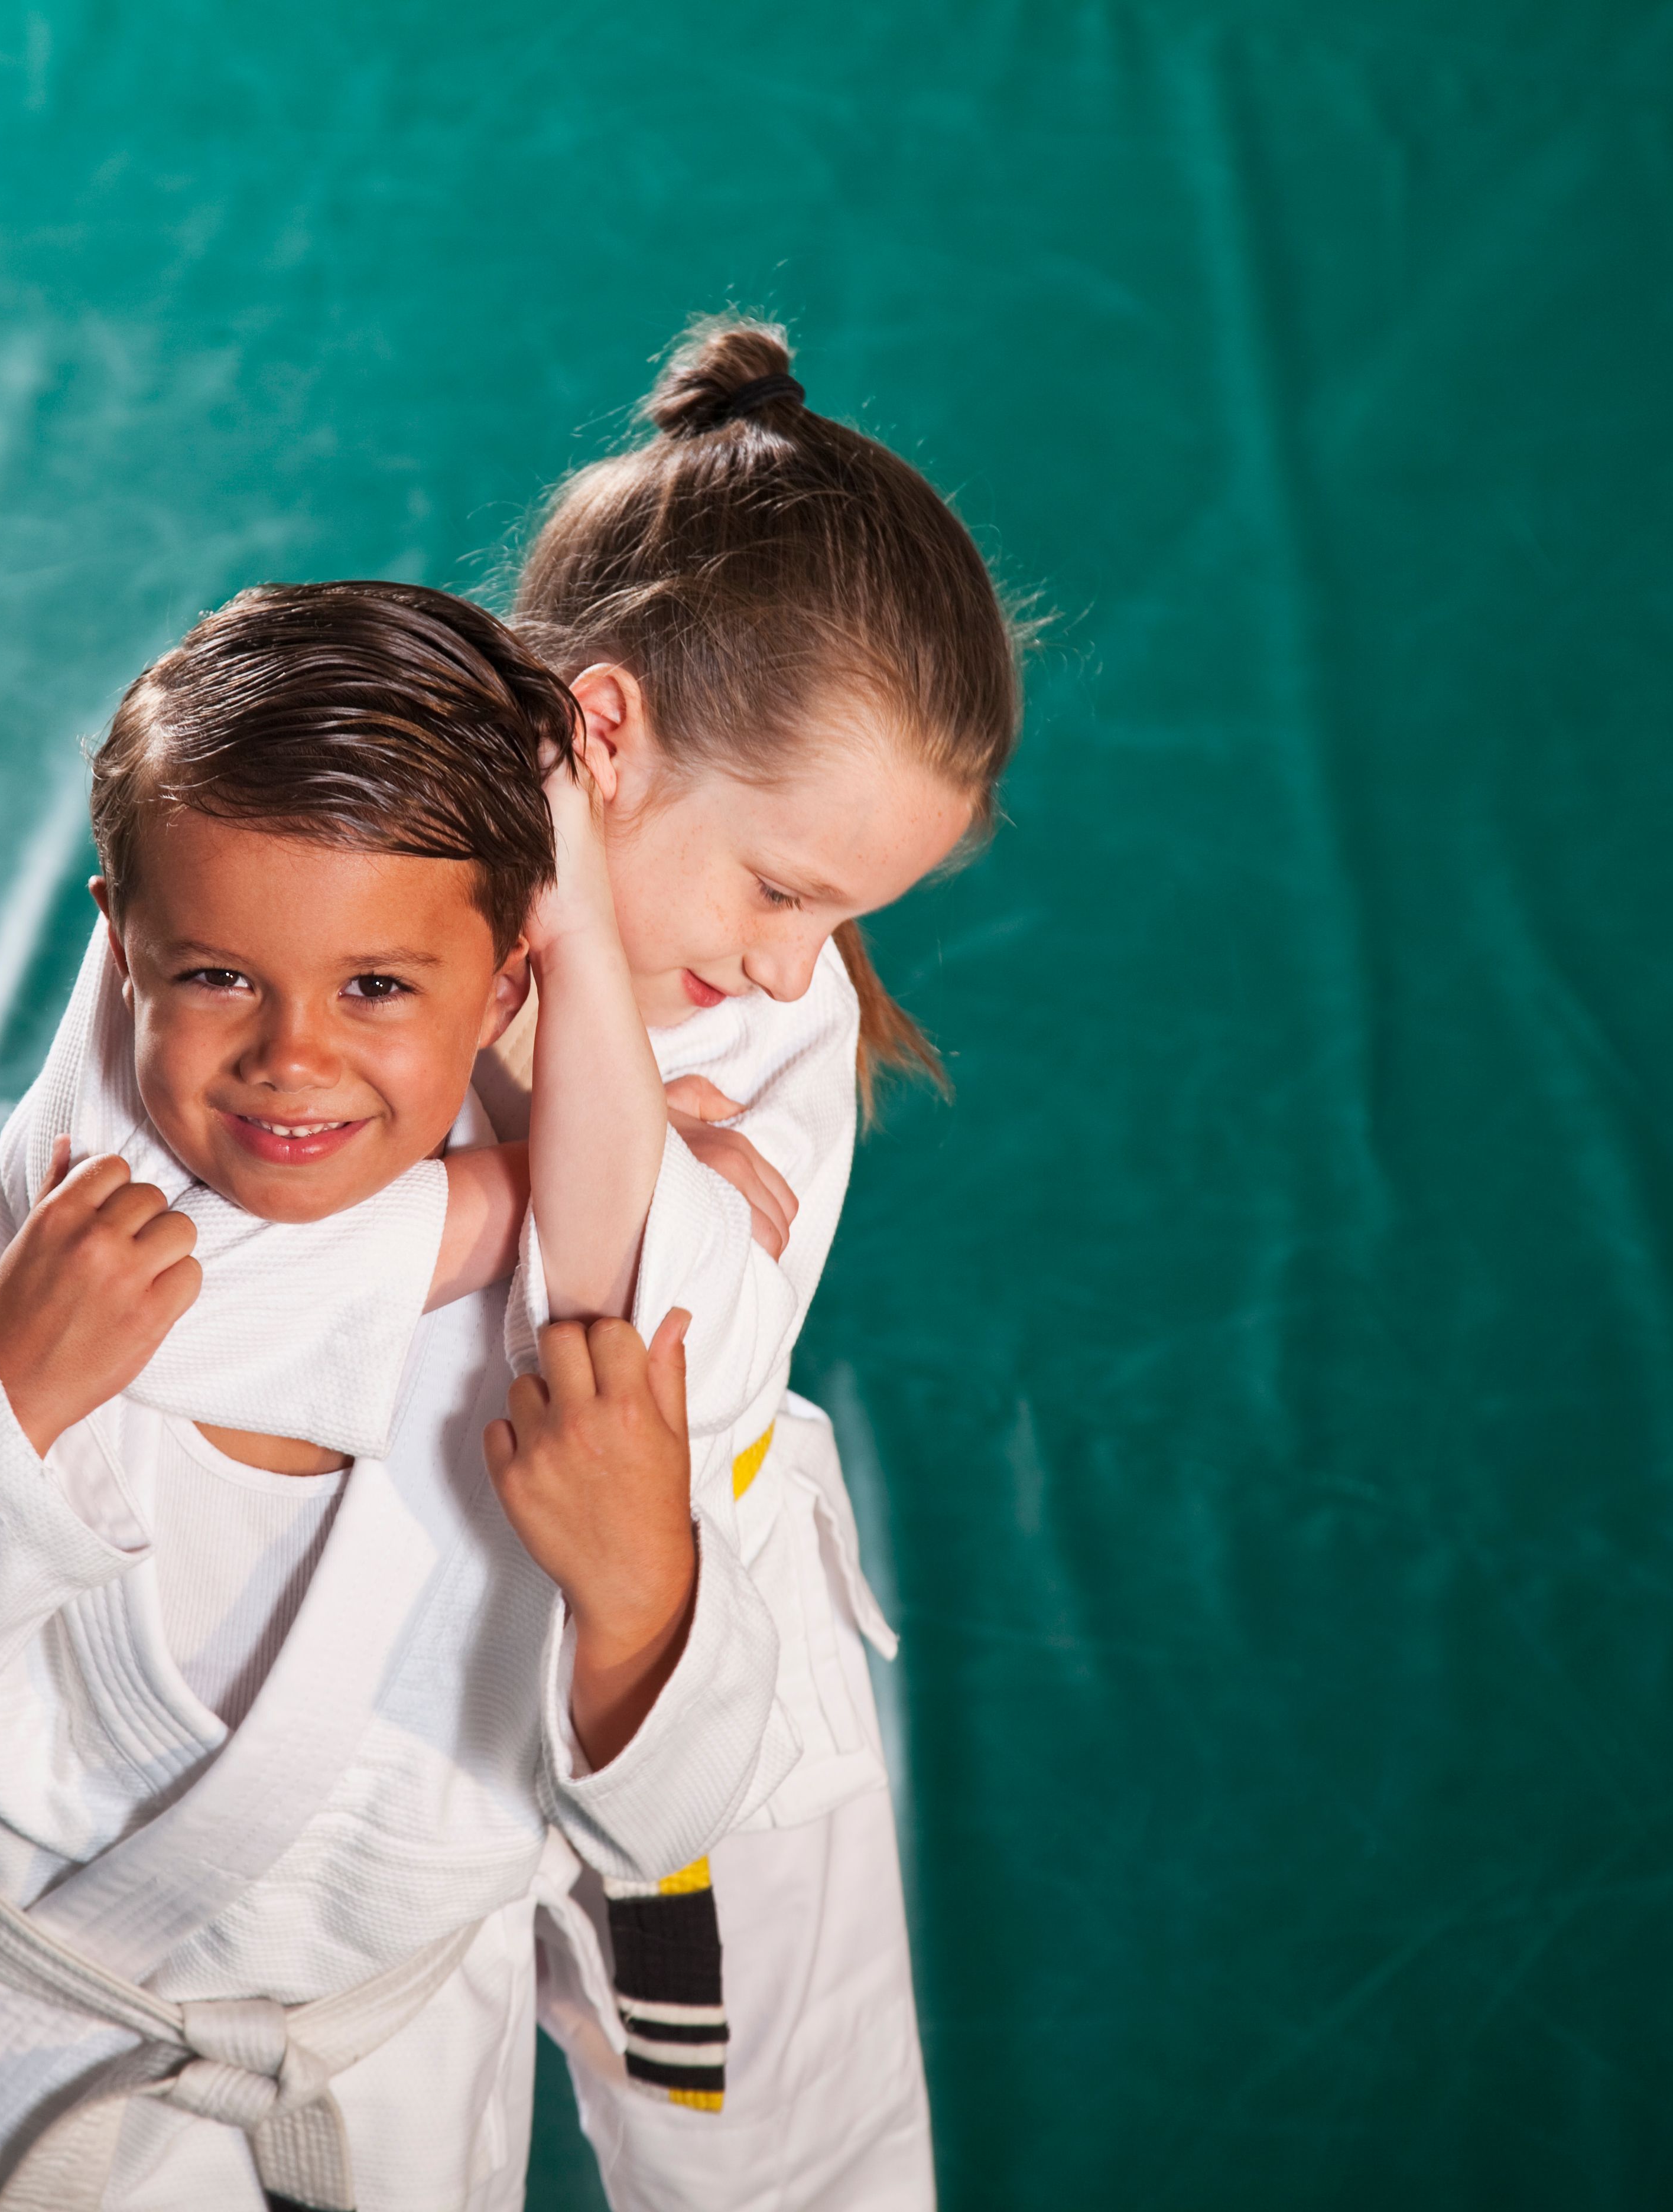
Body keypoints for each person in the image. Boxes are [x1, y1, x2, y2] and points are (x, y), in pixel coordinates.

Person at [0, 581, 782, 2212]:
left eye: (379, 989)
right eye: (220, 975)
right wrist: (8, 1400)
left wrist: (645, 1592)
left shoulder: (613, 1289)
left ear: (512, 982)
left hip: (396, 2086)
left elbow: (681, 1813)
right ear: (120, 937)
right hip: (57, 2069)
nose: (293, 1061)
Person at [492, 315, 1028, 2212]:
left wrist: (581, 1051)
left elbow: (645, 1343)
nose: (804, 966)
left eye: (848, 915)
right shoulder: (359, 917)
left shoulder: (773, 1036)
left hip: (698, 1672)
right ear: (601, 742)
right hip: (387, 1686)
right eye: (785, 891)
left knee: (784, 2172)